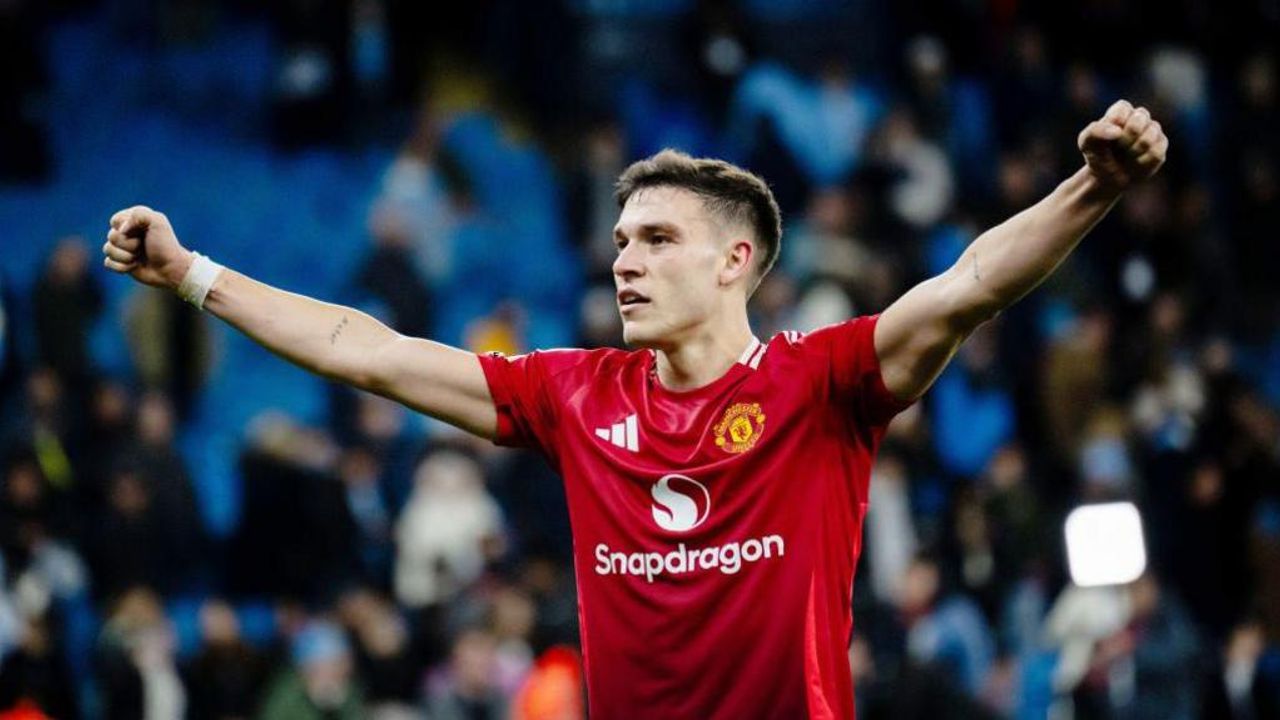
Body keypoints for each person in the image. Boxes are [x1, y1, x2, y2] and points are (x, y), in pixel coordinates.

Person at [101, 99, 1167, 718]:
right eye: (619, 243)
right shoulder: (573, 394)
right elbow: (368, 352)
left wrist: (1095, 189)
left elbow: (970, 284)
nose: (625, 263)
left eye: (657, 240)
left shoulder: (821, 383)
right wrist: (193, 273)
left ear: (734, 261)